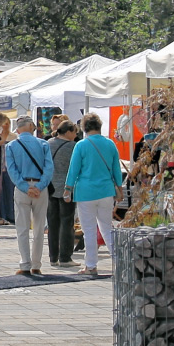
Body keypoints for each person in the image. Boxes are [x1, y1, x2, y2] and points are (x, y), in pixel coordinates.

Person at [68, 113, 123, 277]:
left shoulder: (81, 145)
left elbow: (74, 169)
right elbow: (116, 170)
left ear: (84, 128)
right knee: (107, 228)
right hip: (106, 191)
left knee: (89, 230)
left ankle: (91, 265)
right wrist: (119, 189)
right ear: (100, 127)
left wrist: (67, 188)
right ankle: (120, 262)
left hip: (85, 192)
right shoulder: (110, 144)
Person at [6, 116, 53, 276]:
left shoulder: (11, 146)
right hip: (41, 187)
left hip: (22, 188)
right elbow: (49, 168)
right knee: (39, 228)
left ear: (18, 129)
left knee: (22, 228)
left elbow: (12, 171)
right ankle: (36, 264)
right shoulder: (44, 144)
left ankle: (25, 263)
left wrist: (25, 187)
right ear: (32, 126)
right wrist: (39, 186)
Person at [45, 119, 81, 267]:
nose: (76, 135)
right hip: (67, 188)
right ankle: (65, 257)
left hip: (50, 187)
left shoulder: (48, 144)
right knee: (67, 222)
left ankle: (53, 257)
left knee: (52, 223)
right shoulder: (73, 147)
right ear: (68, 132)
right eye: (75, 132)